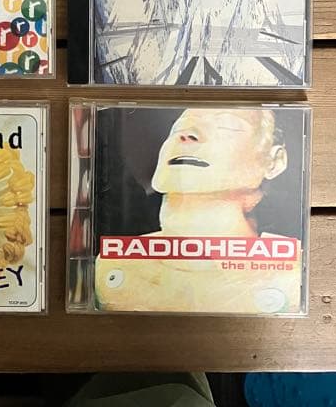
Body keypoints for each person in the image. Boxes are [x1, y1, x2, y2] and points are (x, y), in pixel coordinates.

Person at [95, 107, 302, 314]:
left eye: (225, 126)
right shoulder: (113, 264)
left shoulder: (290, 271)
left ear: (274, 162)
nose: (187, 134)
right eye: (176, 129)